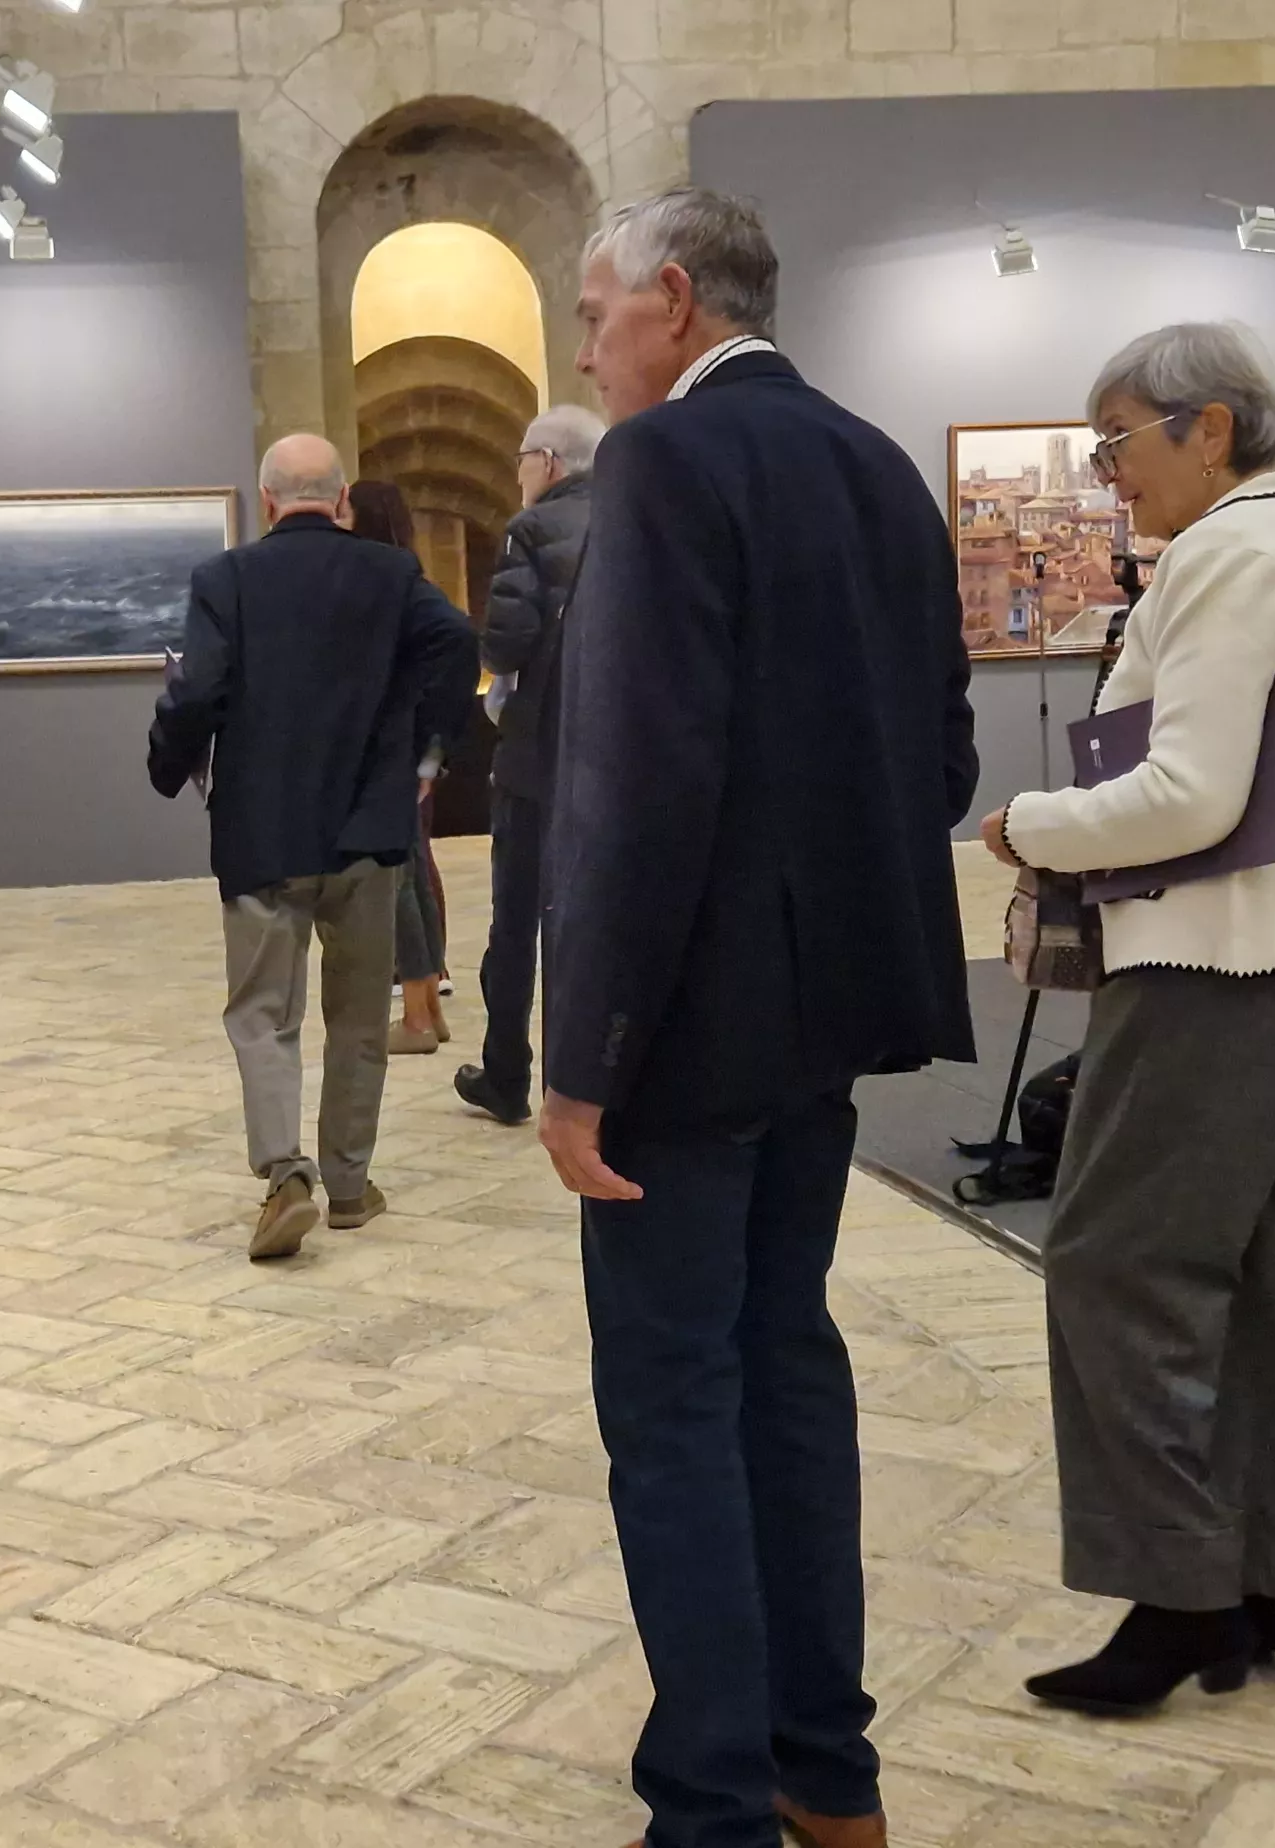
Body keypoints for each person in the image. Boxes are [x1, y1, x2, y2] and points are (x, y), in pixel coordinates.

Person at [541, 188, 971, 1848]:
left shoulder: (660, 462)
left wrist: (584, 1060)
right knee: (787, 1366)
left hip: (687, 1029)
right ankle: (824, 1770)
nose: (585, 344)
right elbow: (940, 762)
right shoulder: (874, 463)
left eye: (594, 310)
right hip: (825, 1022)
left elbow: (638, 787)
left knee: (673, 1406)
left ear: (670, 297)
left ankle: (710, 1804)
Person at [978, 321, 1275, 1715]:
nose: (1107, 474)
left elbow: (1192, 797)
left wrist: (1031, 825)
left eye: (1117, 442)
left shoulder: (1240, 549)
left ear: (1211, 428)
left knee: (1117, 1260)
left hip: (1226, 959)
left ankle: (1180, 1596)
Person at [148, 435, 475, 1261]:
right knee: (359, 1016)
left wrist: (167, 761)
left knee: (263, 1014)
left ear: (266, 502)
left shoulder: (226, 581)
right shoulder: (392, 575)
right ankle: (352, 1187)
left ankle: (285, 1174)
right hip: (367, 831)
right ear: (338, 503)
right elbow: (456, 645)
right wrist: (424, 750)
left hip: (261, 831)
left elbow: (198, 692)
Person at [453, 403, 606, 1128]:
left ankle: (507, 1072)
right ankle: (581, 1078)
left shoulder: (533, 528)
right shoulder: (633, 520)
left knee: (516, 925)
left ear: (547, 462)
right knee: (589, 924)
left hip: (535, 758)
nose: (517, 472)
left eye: (520, 458)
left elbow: (505, 643)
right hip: (609, 760)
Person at [342, 477, 462, 1056]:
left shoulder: (382, 582)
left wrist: (430, 741)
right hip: (410, 747)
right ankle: (428, 1004)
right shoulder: (405, 576)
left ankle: (417, 1013)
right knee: (411, 868)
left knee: (398, 876)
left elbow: (458, 640)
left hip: (390, 748)